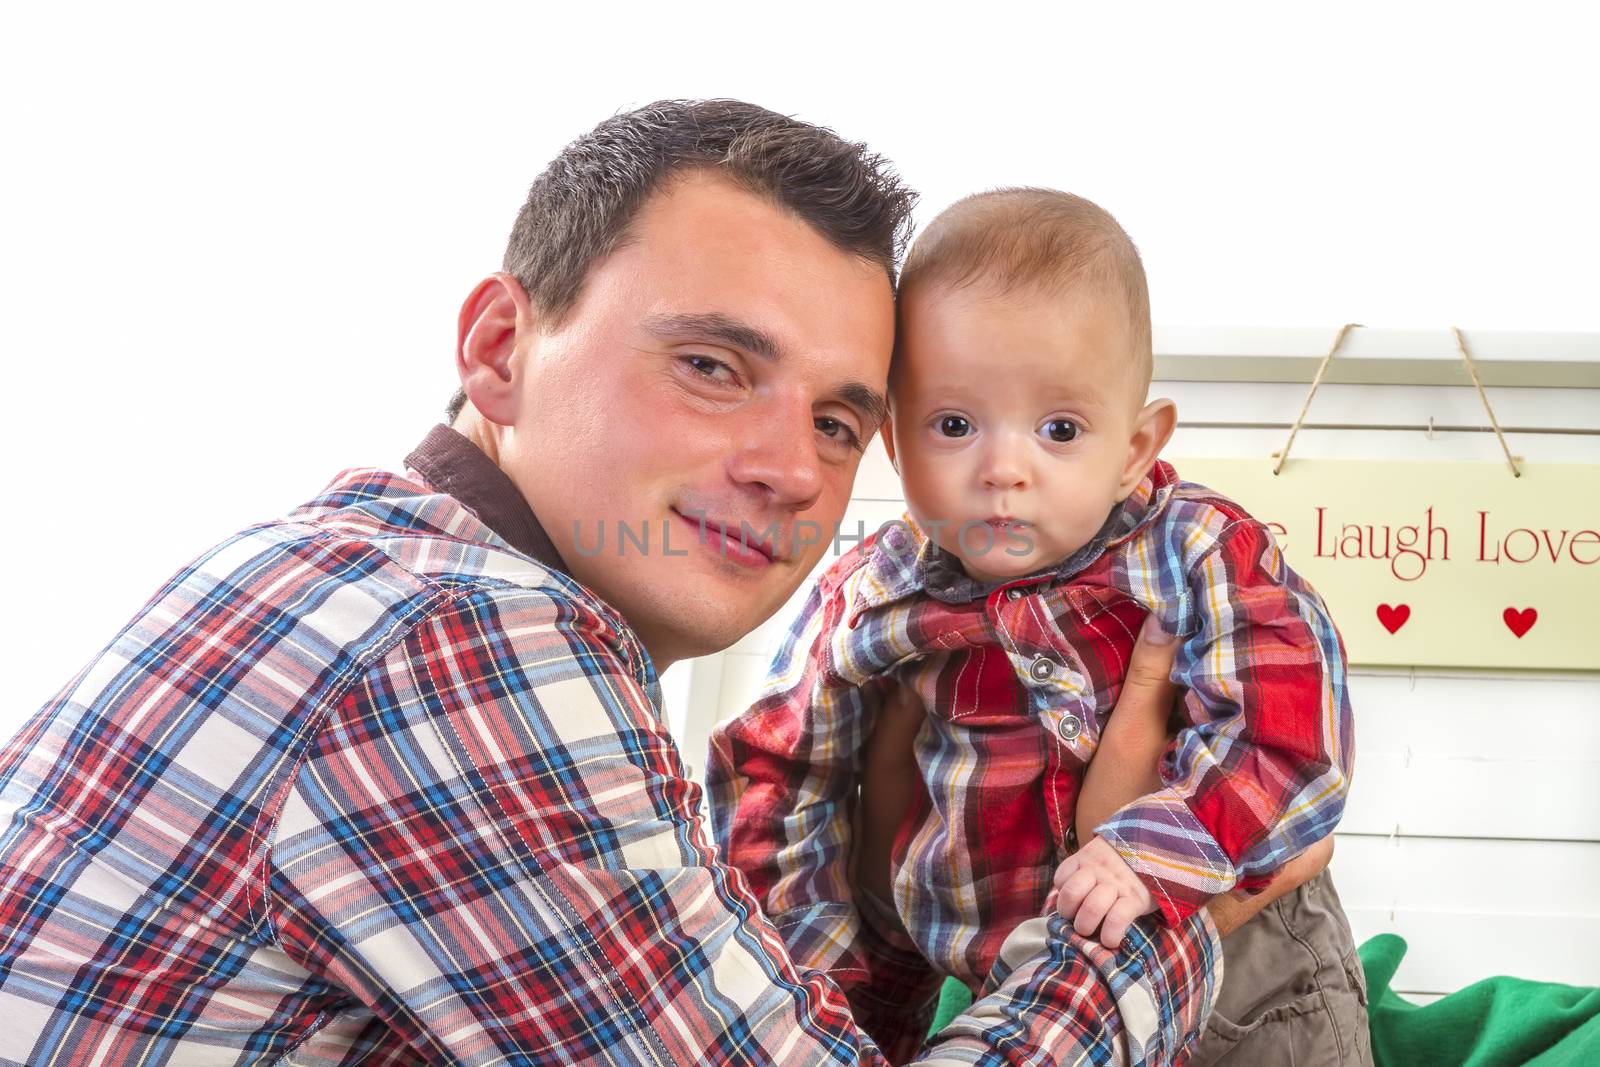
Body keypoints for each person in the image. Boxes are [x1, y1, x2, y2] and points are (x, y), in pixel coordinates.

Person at [0, 101, 1257, 1065]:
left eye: (835, 419)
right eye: (712, 364)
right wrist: (1157, 891)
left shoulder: (350, 558)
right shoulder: (459, 642)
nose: (787, 470)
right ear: (501, 348)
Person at [708, 188, 1369, 1065]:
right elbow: (779, 772)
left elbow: (1292, 734)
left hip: (1247, 962)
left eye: (1059, 428)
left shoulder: (1196, 551)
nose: (1003, 469)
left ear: (1134, 448)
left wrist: (1148, 852)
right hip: (1008, 992)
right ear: (897, 445)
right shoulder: (871, 592)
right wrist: (832, 981)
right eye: (954, 424)